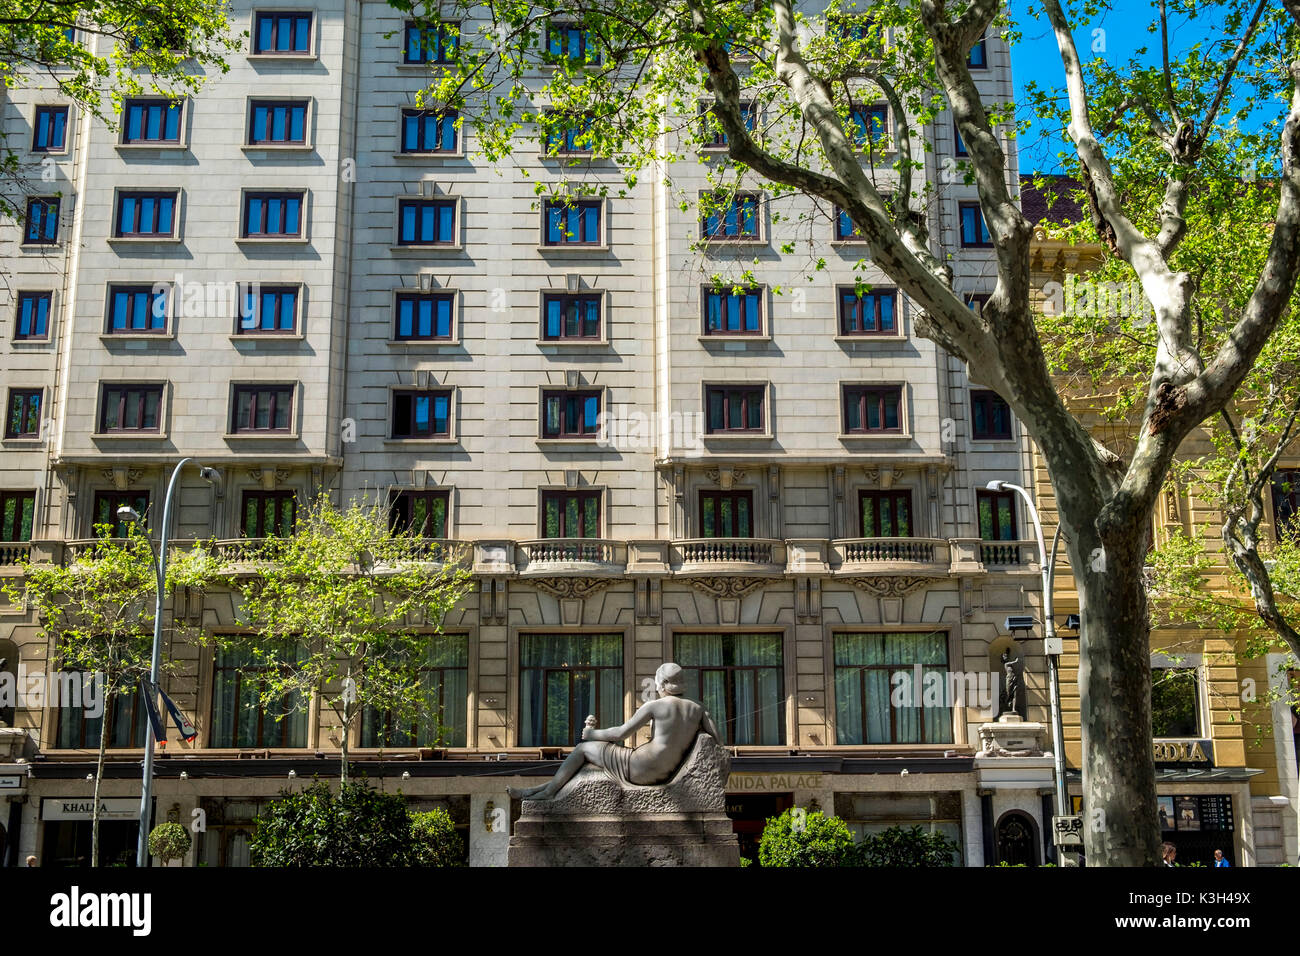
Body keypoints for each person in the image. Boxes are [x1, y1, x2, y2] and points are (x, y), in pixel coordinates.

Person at [507, 662, 722, 800]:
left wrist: (591, 734)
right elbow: (718, 742)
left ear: (664, 684)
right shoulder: (699, 708)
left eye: (657, 683)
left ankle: (549, 792)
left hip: (637, 766)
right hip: (661, 773)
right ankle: (534, 791)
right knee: (582, 769)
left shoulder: (655, 705)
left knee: (583, 750)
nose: (656, 687)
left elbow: (620, 733)